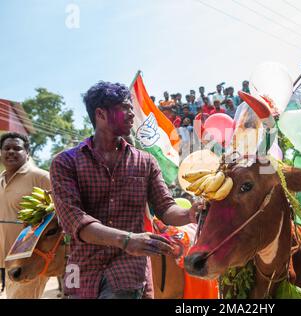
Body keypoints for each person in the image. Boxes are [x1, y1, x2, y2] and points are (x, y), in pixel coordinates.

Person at [49, 82, 202, 299]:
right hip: (81, 272)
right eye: (124, 108)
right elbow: (75, 221)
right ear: (100, 114)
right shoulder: (65, 163)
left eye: (131, 107)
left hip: (129, 271)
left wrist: (189, 214)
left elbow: (166, 208)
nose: (132, 113)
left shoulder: (146, 162)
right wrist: (128, 240)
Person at [0, 132, 50, 299]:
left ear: (27, 153)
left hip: (29, 260)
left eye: (17, 148)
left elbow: (59, 213)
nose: (11, 151)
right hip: (6, 260)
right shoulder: (0, 181)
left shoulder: (41, 177)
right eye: (7, 148)